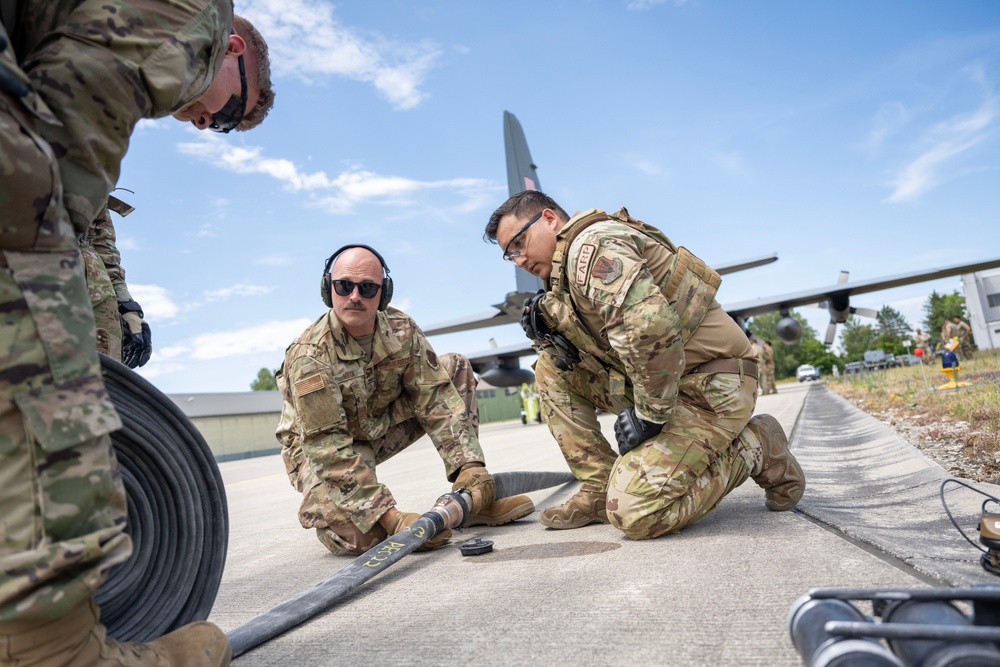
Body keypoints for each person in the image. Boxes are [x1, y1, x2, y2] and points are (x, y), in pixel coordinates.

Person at [1, 3, 273, 664]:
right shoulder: (198, 17)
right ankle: (55, 649)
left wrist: (119, 298)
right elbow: (50, 169)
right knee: (42, 352)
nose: (213, 124)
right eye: (235, 110)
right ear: (231, 48)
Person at [483, 191, 805, 539]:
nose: (518, 259)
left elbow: (651, 327)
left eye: (519, 242)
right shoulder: (563, 276)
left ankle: (755, 445)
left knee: (635, 513)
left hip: (713, 386)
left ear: (549, 218)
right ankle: (598, 486)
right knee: (551, 367)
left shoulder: (590, 247)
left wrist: (649, 415)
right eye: (509, 254)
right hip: (672, 385)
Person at [275, 245, 535, 557]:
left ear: (383, 295)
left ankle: (471, 500)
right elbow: (327, 448)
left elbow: (434, 395)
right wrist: (391, 518)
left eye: (368, 287)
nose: (355, 296)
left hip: (375, 424)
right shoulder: (309, 356)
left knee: (453, 367)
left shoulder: (402, 330)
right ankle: (371, 520)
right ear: (327, 289)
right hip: (319, 449)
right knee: (362, 536)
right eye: (344, 286)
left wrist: (471, 468)